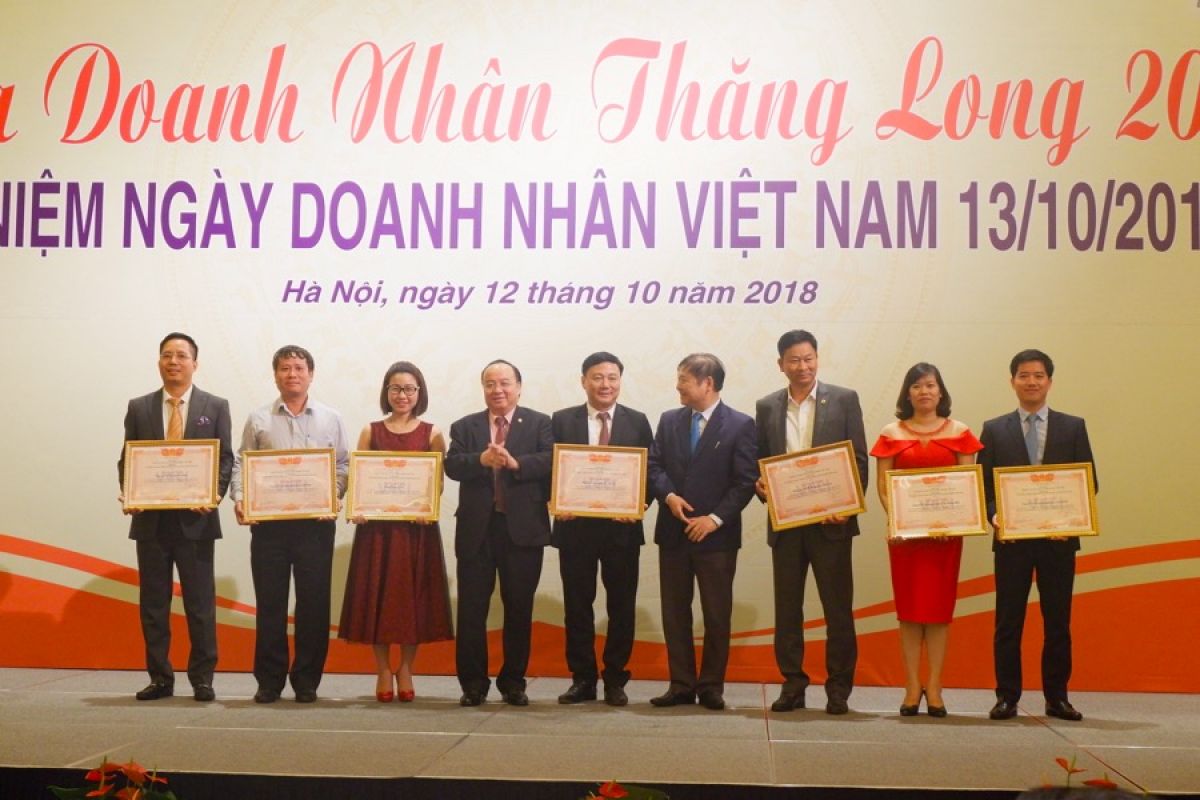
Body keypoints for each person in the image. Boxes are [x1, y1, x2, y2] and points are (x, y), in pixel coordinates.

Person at [980, 349, 1097, 722]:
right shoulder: (994, 429)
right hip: (1011, 542)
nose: (1031, 382)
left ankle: (1057, 698)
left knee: (1057, 622)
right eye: (1024, 375)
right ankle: (1006, 697)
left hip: (1058, 543)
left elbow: (1088, 483)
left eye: (1038, 375)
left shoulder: (1073, 427)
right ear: (1012, 381)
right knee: (1008, 622)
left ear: (1049, 381)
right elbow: (984, 487)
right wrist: (996, 516)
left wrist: (1070, 522)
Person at [755, 330, 868, 715]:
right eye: (794, 360)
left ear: (817, 359)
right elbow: (760, 461)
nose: (802, 366)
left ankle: (838, 688)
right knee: (787, 610)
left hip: (831, 523)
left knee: (838, 610)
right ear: (781, 364)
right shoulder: (767, 406)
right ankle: (793, 684)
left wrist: (849, 505)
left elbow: (859, 461)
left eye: (808, 359)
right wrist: (760, 486)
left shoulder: (844, 399)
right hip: (786, 524)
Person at [118, 332, 233, 702]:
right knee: (154, 605)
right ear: (159, 362)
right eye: (167, 355)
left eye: (182, 356)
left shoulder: (216, 406)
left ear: (194, 363)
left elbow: (225, 458)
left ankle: (202, 679)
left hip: (196, 522)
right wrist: (130, 491)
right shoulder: (139, 407)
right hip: (151, 522)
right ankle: (160, 678)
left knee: (200, 605)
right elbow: (128, 457)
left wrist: (214, 494)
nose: (174, 362)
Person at [231, 345, 349, 704]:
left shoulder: (331, 418)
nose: (292, 374)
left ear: (311, 374)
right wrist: (240, 497)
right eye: (285, 368)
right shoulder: (258, 419)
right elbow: (242, 463)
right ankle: (269, 681)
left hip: (315, 526)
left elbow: (342, 466)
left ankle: (307, 680)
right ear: (275, 375)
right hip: (270, 526)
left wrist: (333, 495)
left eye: (299, 368)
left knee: (313, 605)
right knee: (270, 604)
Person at [871, 362, 982, 717]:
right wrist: (899, 520)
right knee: (909, 614)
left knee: (937, 614)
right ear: (908, 393)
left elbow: (967, 483)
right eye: (917, 386)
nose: (924, 392)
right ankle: (910, 686)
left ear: (940, 391)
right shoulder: (891, 433)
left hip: (944, 540)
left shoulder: (960, 432)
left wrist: (951, 521)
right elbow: (883, 486)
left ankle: (934, 686)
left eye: (931, 385)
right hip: (905, 539)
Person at [647, 353, 757, 711]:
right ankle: (680, 684)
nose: (678, 386)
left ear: (707, 383)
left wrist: (714, 519)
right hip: (674, 532)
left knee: (716, 613)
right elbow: (654, 466)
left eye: (684, 379)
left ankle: (711, 686)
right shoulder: (669, 420)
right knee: (674, 612)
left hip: (716, 538)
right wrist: (668, 496)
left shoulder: (741, 425)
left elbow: (745, 481)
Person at [338, 361, 453, 702]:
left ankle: (406, 668)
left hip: (416, 532)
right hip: (377, 533)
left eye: (409, 389)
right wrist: (358, 507)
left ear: (420, 393)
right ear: (386, 392)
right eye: (396, 389)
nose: (403, 395)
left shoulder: (432, 433)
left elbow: (437, 483)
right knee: (378, 600)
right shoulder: (370, 431)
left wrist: (427, 508)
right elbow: (359, 479)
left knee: (411, 602)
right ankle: (383, 670)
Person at [445, 360, 553, 707]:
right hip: (477, 531)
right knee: (471, 611)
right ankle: (473, 684)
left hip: (522, 530)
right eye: (490, 384)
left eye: (505, 383)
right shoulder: (465, 426)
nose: (498, 390)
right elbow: (451, 464)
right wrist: (481, 460)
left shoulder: (540, 423)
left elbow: (552, 460)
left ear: (519, 387)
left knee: (519, 608)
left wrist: (515, 463)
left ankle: (513, 682)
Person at [550, 352, 654, 707]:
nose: (605, 384)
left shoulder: (637, 421)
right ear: (584, 381)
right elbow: (551, 468)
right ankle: (582, 679)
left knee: (621, 606)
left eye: (612, 378)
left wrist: (640, 505)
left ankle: (615, 679)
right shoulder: (562, 420)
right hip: (575, 528)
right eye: (597, 377)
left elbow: (650, 469)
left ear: (620, 381)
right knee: (577, 606)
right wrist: (555, 501)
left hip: (620, 531)